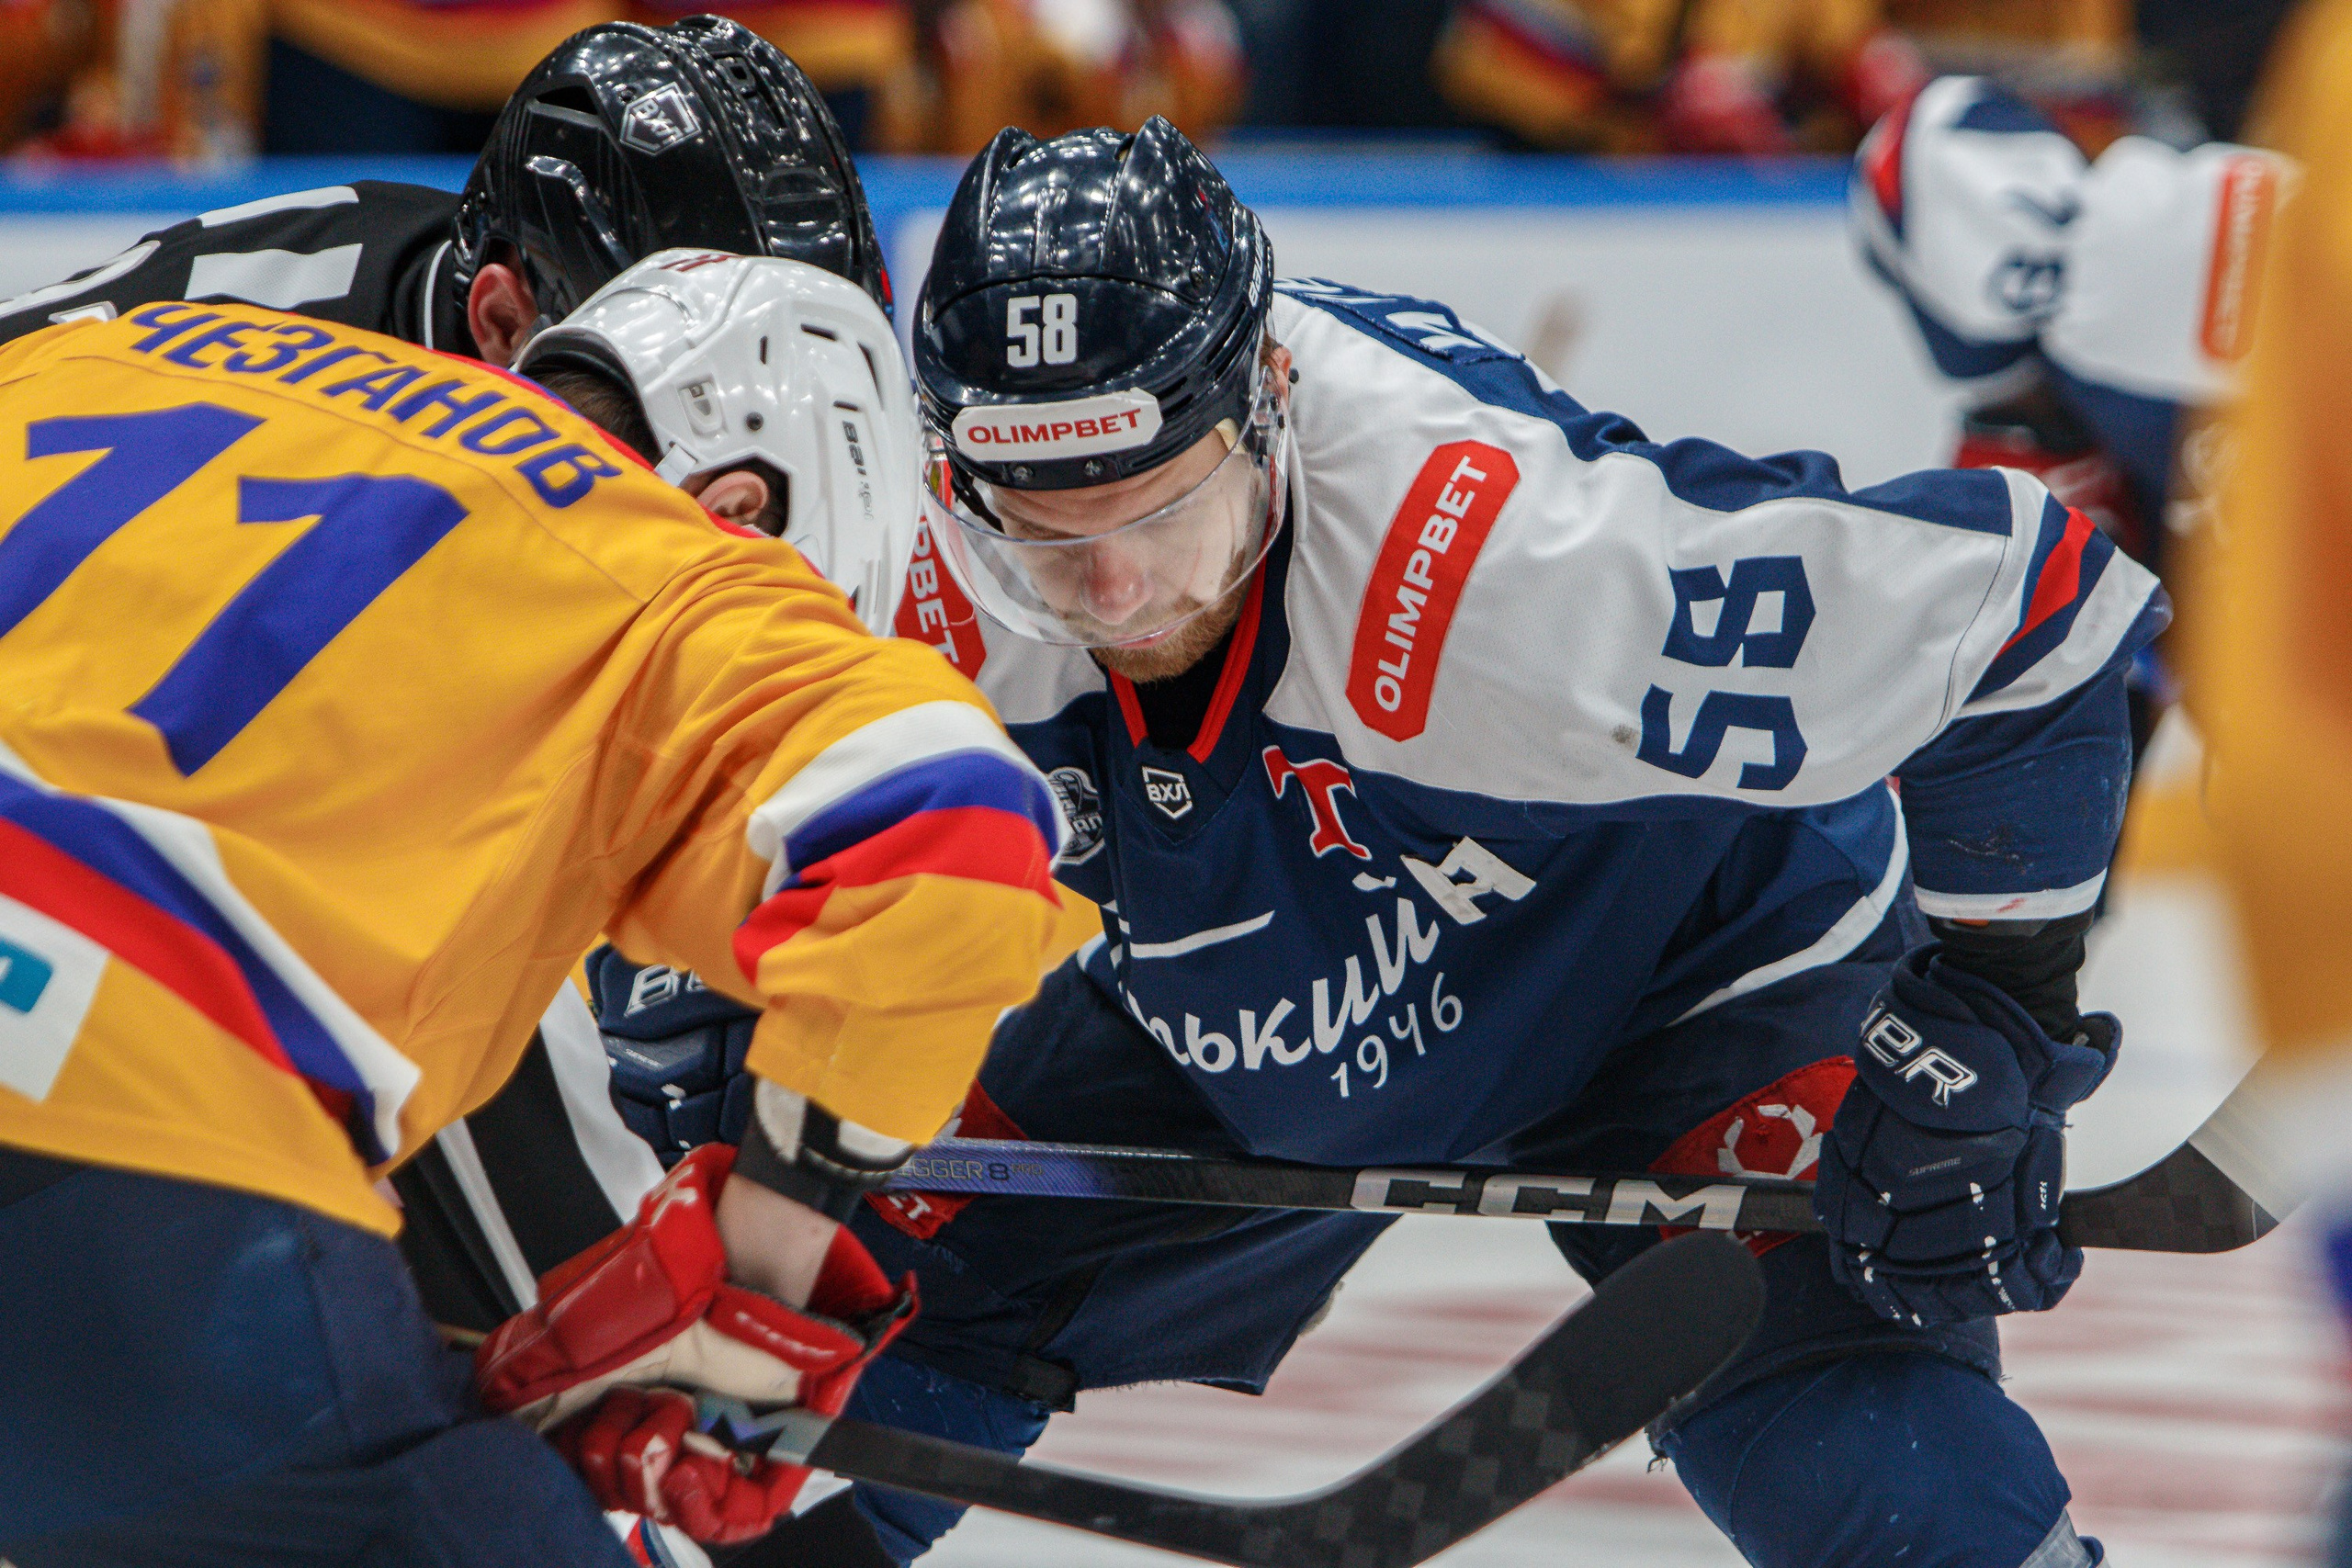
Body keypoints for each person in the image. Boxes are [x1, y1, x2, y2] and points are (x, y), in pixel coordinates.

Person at [592, 116, 2164, 1565]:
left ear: (1266, 405)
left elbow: (2033, 618)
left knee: (1880, 1473)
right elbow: (696, 779)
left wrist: (1995, 1009)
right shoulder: (911, 540)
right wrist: (705, 1036)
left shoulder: (1509, 560)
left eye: (1159, 513)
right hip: (1222, 991)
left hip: (1679, 966)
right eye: (1046, 540)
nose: (1118, 596)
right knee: (825, 1324)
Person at [0, 252, 1068, 1566]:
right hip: (107, 1119)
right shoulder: (675, 568)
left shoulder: (132, 350)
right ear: (743, 503)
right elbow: (952, 826)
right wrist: (761, 1283)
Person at [0, 11, 913, 1334]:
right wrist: (633, 1329)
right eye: (684, 373)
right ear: (501, 318)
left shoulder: (488, 336)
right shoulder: (386, 463)